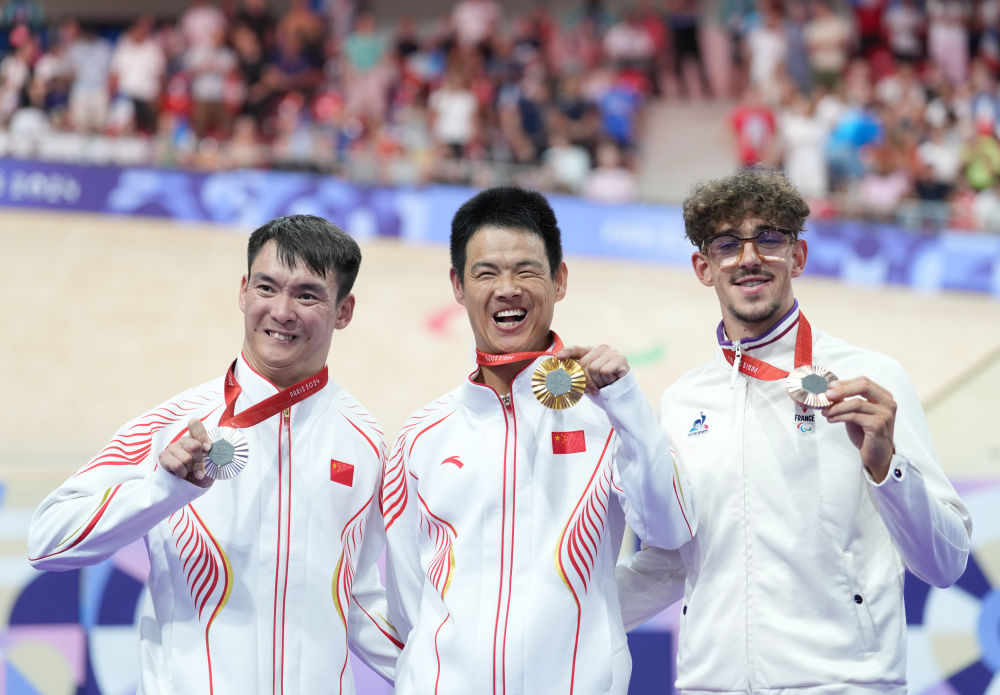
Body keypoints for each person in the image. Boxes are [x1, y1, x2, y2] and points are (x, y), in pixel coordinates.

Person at [617, 170, 972, 694]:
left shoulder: (871, 380)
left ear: (797, 256)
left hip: (844, 682)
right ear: (703, 267)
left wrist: (888, 469)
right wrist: (559, 619)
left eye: (769, 238)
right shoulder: (682, 401)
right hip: (710, 683)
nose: (749, 257)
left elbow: (946, 564)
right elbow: (673, 565)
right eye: (727, 244)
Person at [28, 215, 400, 693]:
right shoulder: (169, 426)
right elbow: (46, 540)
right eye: (266, 287)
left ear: (343, 310)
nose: (282, 311)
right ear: (243, 291)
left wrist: (448, 673)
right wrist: (163, 490)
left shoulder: (366, 442)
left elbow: (358, 595)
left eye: (307, 295)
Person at [381, 186, 696, 694]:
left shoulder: (612, 418)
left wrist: (589, 619)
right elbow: (407, 603)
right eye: (486, 273)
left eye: (526, 271)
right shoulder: (421, 437)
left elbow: (672, 534)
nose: (507, 289)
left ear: (559, 279)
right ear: (458, 286)